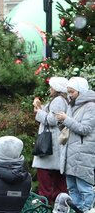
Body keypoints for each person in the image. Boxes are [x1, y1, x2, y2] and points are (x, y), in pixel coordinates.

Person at [56, 77, 95, 210]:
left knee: (84, 187)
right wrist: (61, 122)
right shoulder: (72, 105)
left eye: (72, 91)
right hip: (70, 152)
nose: (69, 95)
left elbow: (85, 129)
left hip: (83, 153)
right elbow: (69, 128)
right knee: (72, 188)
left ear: (81, 90)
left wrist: (66, 119)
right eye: (68, 92)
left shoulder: (91, 106)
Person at [32, 77, 69, 205]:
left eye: (52, 87)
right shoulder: (63, 99)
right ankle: (60, 203)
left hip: (51, 141)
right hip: (55, 140)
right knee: (58, 175)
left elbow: (53, 120)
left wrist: (38, 112)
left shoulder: (58, 100)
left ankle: (45, 202)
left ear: (58, 88)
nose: (50, 89)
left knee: (44, 172)